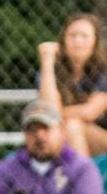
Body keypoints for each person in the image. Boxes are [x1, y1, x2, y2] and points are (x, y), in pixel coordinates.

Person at [36, 12, 107, 157]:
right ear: (63, 41)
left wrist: (59, 113)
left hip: (101, 137)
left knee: (73, 125)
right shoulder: (49, 73)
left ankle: (82, 178)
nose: (78, 41)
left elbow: (90, 112)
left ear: (95, 42)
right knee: (60, 130)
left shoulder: (103, 71)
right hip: (60, 135)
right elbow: (48, 107)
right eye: (72, 35)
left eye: (84, 36)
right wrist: (47, 62)